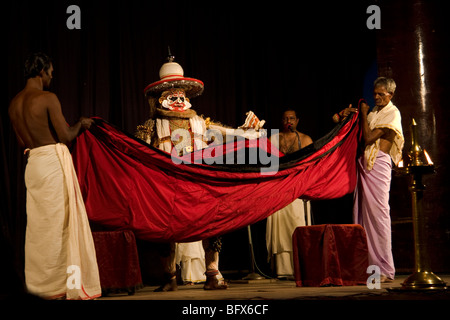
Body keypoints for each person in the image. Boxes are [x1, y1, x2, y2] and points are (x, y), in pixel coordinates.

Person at [8, 52, 101, 299]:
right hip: (52, 162)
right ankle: (64, 285)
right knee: (62, 225)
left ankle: (43, 286)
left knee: (41, 228)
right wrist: (81, 123)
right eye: (50, 72)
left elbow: (23, 144)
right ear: (41, 71)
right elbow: (65, 136)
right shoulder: (47, 98)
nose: (52, 77)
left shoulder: (13, 104)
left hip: (34, 164)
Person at [338, 77, 404, 282]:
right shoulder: (375, 111)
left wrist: (364, 114)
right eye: (375, 93)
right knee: (362, 216)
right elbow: (347, 127)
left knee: (379, 216)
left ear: (391, 95)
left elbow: (368, 138)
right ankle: (370, 269)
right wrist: (345, 115)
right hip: (364, 164)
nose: (376, 97)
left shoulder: (392, 113)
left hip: (379, 165)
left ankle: (386, 269)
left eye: (381, 94)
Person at [266, 109, 313, 278]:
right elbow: (267, 167)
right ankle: (283, 270)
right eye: (286, 118)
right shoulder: (273, 139)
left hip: (298, 191)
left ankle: (301, 268)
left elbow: (312, 167)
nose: (289, 121)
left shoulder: (305, 139)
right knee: (280, 230)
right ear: (281, 121)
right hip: (279, 190)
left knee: (297, 224)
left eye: (292, 118)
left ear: (297, 121)